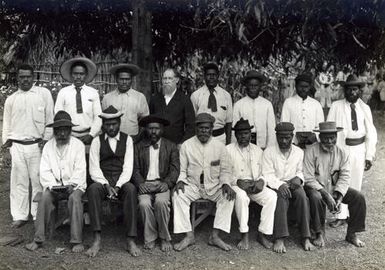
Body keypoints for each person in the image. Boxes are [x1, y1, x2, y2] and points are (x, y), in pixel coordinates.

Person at [172, 113, 236, 251]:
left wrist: (226, 184)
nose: (204, 131)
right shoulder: (186, 146)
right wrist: (181, 181)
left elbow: (225, 170)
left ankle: (215, 236)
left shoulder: (220, 147)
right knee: (178, 195)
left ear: (212, 129)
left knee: (229, 197)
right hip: (193, 185)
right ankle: (189, 235)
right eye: (201, 128)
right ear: (196, 129)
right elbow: (182, 170)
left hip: (214, 186)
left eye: (207, 128)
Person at [25, 111, 86, 252]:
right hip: (54, 186)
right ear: (54, 131)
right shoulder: (48, 146)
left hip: (74, 185)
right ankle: (38, 239)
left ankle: (76, 240)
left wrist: (73, 184)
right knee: (44, 197)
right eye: (59, 130)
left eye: (65, 130)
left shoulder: (78, 145)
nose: (62, 134)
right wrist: (52, 185)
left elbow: (81, 169)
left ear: (70, 130)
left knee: (75, 199)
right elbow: (44, 170)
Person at [2, 64, 54, 228]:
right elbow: (7, 125)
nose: (25, 80)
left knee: (38, 180)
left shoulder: (43, 94)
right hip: (17, 145)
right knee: (19, 182)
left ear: (34, 77)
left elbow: (50, 119)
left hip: (37, 145)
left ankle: (37, 214)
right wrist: (7, 146)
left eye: (28, 76)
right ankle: (20, 215)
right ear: (17, 78)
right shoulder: (12, 99)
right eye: (22, 77)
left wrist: (45, 140)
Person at [86, 106, 139, 257]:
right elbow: (94, 168)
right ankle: (96, 238)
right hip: (103, 180)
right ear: (103, 125)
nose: (111, 127)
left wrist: (117, 186)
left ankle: (130, 239)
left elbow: (128, 167)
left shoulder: (127, 139)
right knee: (93, 190)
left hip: (121, 180)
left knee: (131, 190)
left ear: (119, 123)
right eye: (107, 124)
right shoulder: (97, 141)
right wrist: (106, 185)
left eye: (114, 124)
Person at [304, 121, 366, 247]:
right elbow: (308, 178)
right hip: (316, 189)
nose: (329, 141)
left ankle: (352, 234)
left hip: (334, 188)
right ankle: (319, 233)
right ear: (319, 138)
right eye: (325, 138)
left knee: (358, 198)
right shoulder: (311, 151)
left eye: (332, 138)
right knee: (316, 197)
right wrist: (325, 193)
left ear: (336, 138)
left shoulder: (342, 152)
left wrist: (339, 195)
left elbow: (345, 176)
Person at [327, 74, 377, 227]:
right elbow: (329, 127)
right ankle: (340, 216)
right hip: (343, 148)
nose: (352, 93)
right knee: (342, 181)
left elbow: (371, 133)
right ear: (345, 90)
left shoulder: (364, 108)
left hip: (359, 149)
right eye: (348, 89)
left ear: (359, 91)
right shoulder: (336, 106)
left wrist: (369, 155)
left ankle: (352, 216)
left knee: (356, 181)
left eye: (355, 89)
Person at [262, 122, 315, 253]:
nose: (284, 141)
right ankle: (280, 238)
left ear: (292, 136)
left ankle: (306, 236)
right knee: (280, 198)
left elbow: (301, 170)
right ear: (276, 136)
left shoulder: (299, 152)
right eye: (281, 137)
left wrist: (299, 178)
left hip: (293, 183)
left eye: (287, 137)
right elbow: (267, 174)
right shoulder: (269, 152)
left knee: (302, 196)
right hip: (276, 184)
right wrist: (279, 185)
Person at [226, 118, 277, 250]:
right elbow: (224, 173)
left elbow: (265, 172)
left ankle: (262, 234)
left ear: (250, 134)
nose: (243, 136)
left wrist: (261, 181)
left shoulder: (258, 150)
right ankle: (244, 234)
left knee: (271, 196)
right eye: (240, 133)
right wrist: (237, 181)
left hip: (253, 185)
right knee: (242, 197)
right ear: (235, 135)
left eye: (246, 133)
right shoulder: (227, 150)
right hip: (237, 185)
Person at [131, 114, 179, 252]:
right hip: (145, 184)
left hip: (162, 183)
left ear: (162, 130)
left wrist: (167, 183)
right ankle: (150, 237)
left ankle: (164, 237)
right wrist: (140, 183)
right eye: (150, 128)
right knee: (144, 203)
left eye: (156, 128)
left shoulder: (171, 146)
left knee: (161, 202)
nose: (153, 132)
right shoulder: (138, 147)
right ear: (145, 130)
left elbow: (175, 169)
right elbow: (135, 169)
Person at [55, 57, 102, 148]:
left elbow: (98, 117)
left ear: (86, 75)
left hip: (88, 136)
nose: (78, 77)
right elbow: (58, 115)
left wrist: (91, 135)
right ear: (71, 74)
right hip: (68, 136)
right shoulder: (63, 92)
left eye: (81, 74)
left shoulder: (93, 93)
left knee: (87, 160)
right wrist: (66, 134)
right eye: (75, 74)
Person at [102, 63, 149, 142]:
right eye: (121, 79)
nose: (124, 82)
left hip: (133, 138)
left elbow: (145, 120)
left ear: (131, 79)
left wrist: (138, 137)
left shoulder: (140, 97)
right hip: (113, 139)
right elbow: (103, 121)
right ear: (116, 79)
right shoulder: (107, 98)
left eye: (127, 79)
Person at [149, 68, 195, 146]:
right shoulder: (155, 99)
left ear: (177, 80)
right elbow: (149, 122)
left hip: (176, 146)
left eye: (170, 78)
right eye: (164, 78)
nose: (166, 81)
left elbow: (191, 127)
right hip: (157, 145)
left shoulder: (184, 100)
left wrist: (182, 143)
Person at [190, 63, 232, 145]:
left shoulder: (226, 95)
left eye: (214, 75)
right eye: (209, 75)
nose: (211, 77)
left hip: (220, 138)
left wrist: (228, 142)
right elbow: (192, 121)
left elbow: (229, 122)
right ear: (204, 76)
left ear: (218, 76)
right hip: (201, 138)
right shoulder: (196, 95)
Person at [233, 70, 276, 149]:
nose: (253, 88)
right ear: (246, 86)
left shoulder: (267, 104)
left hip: (262, 145)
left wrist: (270, 148)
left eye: (256, 86)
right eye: (250, 85)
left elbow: (271, 129)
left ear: (260, 87)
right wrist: (235, 148)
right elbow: (234, 129)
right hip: (244, 145)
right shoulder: (238, 105)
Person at [281, 73, 324, 149]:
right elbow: (284, 124)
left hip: (312, 145)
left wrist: (314, 135)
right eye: (300, 86)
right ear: (296, 86)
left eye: (306, 87)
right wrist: (294, 139)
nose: (303, 89)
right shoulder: (288, 102)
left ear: (310, 87)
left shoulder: (316, 104)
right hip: (293, 145)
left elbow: (320, 126)